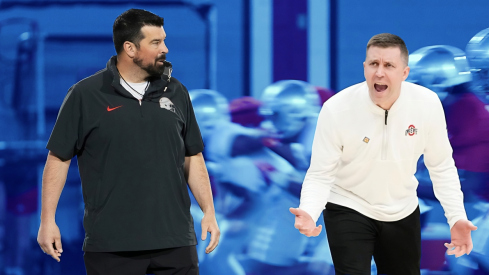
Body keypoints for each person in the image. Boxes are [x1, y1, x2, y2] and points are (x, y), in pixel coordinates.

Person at [36, 9, 219, 275]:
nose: (165, 49)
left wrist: (209, 212)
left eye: (164, 40)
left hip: (176, 243)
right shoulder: (85, 95)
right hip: (112, 246)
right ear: (130, 48)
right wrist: (47, 220)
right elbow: (58, 159)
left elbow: (193, 157)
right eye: (155, 43)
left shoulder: (177, 92)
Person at [290, 33, 477, 275]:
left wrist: (456, 218)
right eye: (374, 64)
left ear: (405, 73)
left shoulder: (430, 105)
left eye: (389, 65)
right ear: (364, 68)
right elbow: (320, 172)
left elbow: (441, 167)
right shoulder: (338, 108)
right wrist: (309, 210)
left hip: (402, 208)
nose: (380, 73)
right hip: (349, 204)